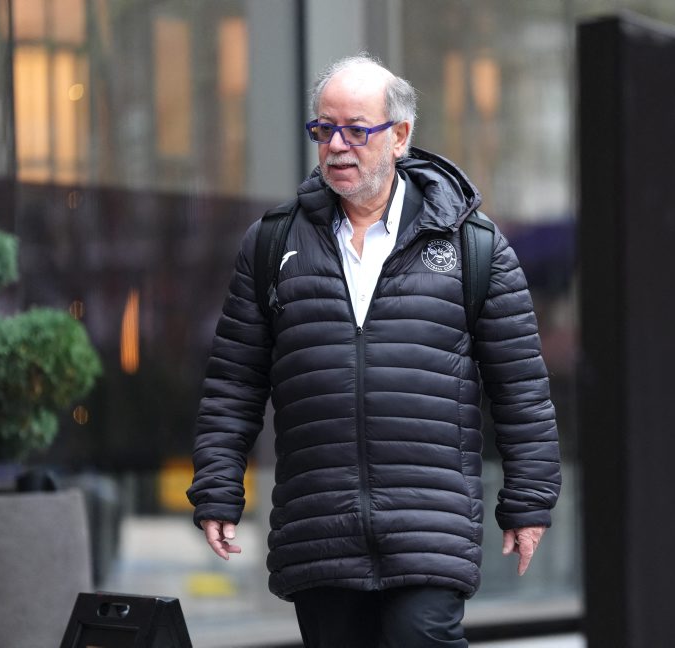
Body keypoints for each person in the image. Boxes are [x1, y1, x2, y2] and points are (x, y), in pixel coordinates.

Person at [187, 54, 561, 647]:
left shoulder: (473, 246)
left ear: (400, 136)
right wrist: (217, 487)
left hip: (429, 523)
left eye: (356, 130)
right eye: (324, 129)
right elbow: (234, 382)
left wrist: (529, 501)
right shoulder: (273, 243)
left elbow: (520, 389)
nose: (337, 146)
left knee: (422, 636)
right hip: (319, 523)